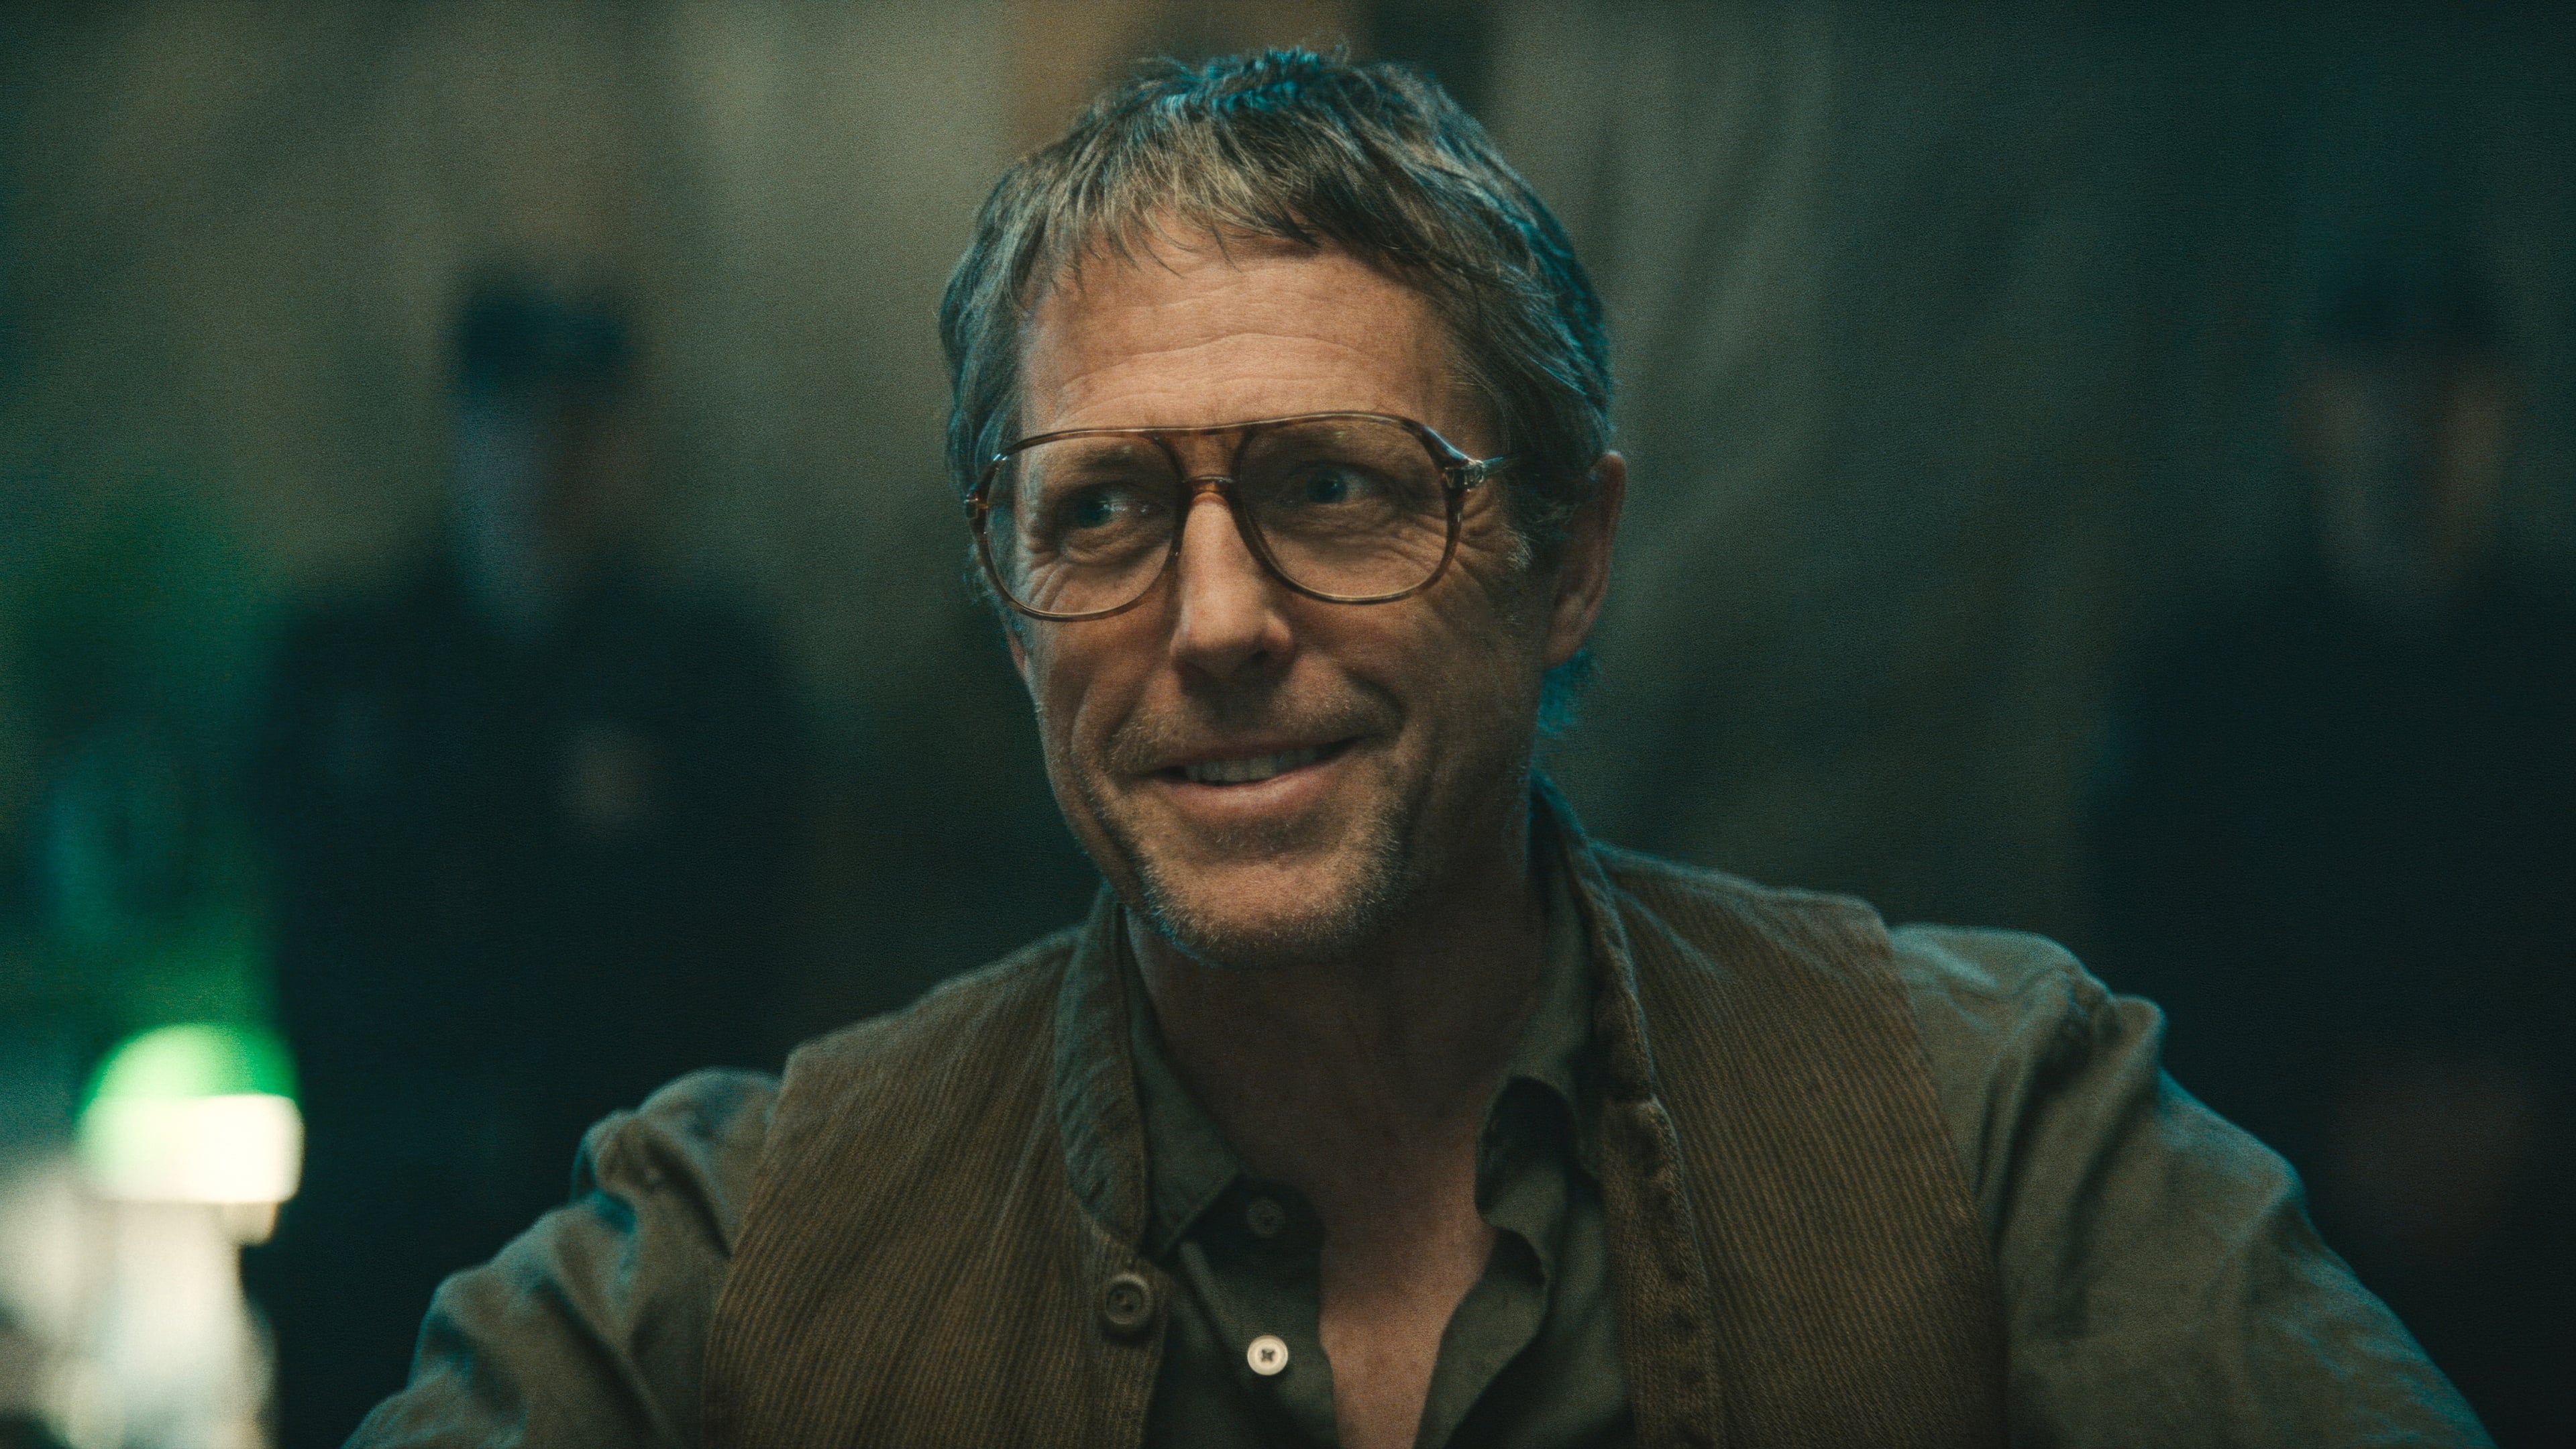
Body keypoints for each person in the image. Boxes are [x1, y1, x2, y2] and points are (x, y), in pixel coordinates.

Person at [350, 52, 2485, 1448]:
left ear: (1568, 557)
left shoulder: (1991, 1138)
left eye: (1337, 489)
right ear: (1007, 597)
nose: (1212, 621)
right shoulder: (746, 1248)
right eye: (1100, 513)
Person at [248, 280, 806, 1449]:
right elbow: (319, 935)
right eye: (516, 416)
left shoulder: (703, 674)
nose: (544, 457)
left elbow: (729, 952)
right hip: (381, 1240)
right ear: (463, 426)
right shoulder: (348, 667)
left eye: (576, 423)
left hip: (622, 1236)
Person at [2093, 265, 2575, 1444]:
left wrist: (2527, 1113)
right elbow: (2148, 959)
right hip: (2276, 1266)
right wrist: (2331, 1113)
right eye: (2378, 376)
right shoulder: (2205, 692)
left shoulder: (2556, 671)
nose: (2415, 415)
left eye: (2452, 380)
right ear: (2313, 405)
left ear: (2504, 407)